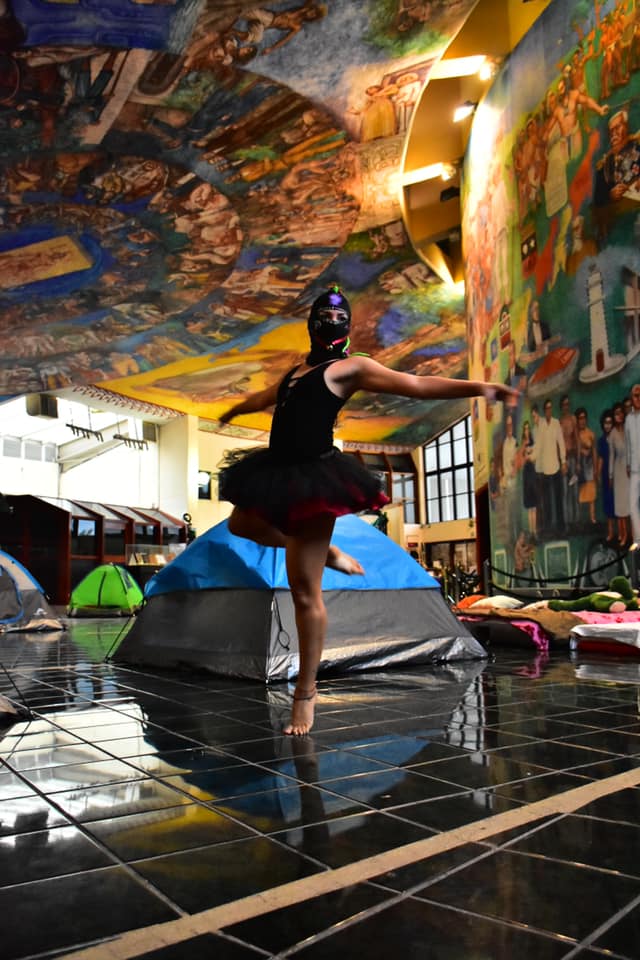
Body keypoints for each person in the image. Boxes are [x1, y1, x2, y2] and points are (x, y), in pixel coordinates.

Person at [217, 286, 519, 735]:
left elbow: (416, 385)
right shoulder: (296, 370)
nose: (330, 323)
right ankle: (327, 553)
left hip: (315, 478)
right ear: (312, 323)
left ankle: (305, 693)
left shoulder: (350, 368)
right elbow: (266, 397)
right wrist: (236, 410)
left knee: (304, 592)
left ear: (347, 327)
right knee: (240, 524)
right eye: (324, 316)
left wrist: (481, 388)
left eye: (338, 318)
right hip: (276, 469)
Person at [625, 383, 640, 548]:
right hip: (634, 469)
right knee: (632, 505)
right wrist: (628, 464)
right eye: (635, 396)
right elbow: (628, 444)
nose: (638, 398)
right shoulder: (628, 419)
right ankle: (638, 539)